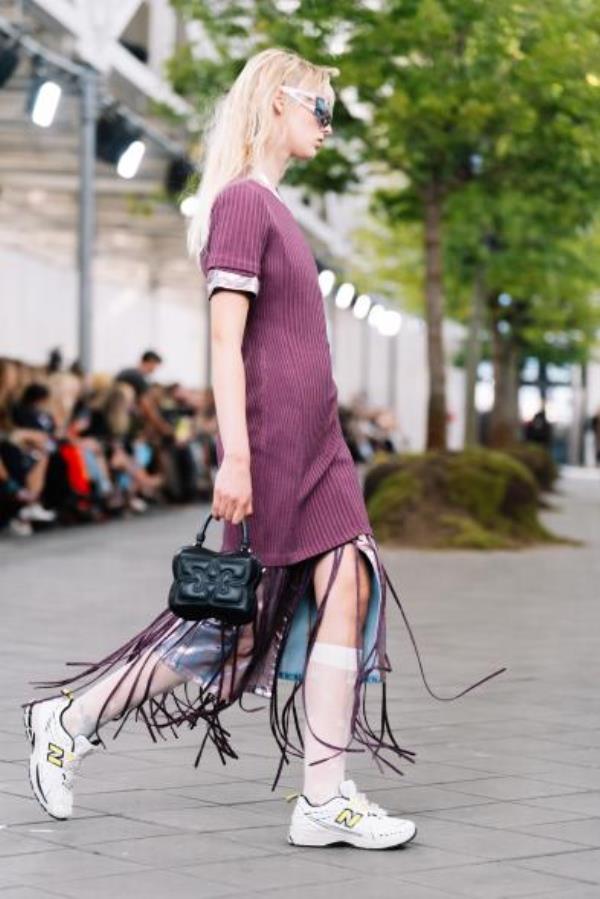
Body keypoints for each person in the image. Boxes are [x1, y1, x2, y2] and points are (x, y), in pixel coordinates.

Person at [22, 48, 504, 849]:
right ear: (275, 105)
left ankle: (323, 795)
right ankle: (69, 716)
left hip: (319, 443)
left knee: (348, 582)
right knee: (234, 630)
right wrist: (236, 457)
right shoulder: (243, 204)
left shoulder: (275, 209)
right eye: (320, 108)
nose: (328, 125)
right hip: (276, 443)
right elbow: (224, 339)